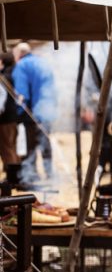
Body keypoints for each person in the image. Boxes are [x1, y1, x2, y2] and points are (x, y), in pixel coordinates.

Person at [12, 42, 56, 185]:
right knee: (45, 142)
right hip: (47, 110)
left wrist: (19, 114)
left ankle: (31, 175)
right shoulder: (42, 63)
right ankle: (49, 174)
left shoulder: (22, 65)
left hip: (31, 113)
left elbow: (21, 94)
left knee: (31, 145)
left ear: (19, 54)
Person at [0, 53, 20, 185]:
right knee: (11, 147)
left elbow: (1, 99)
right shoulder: (12, 74)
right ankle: (15, 176)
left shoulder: (4, 77)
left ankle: (13, 178)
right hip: (11, 117)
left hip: (5, 118)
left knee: (7, 148)